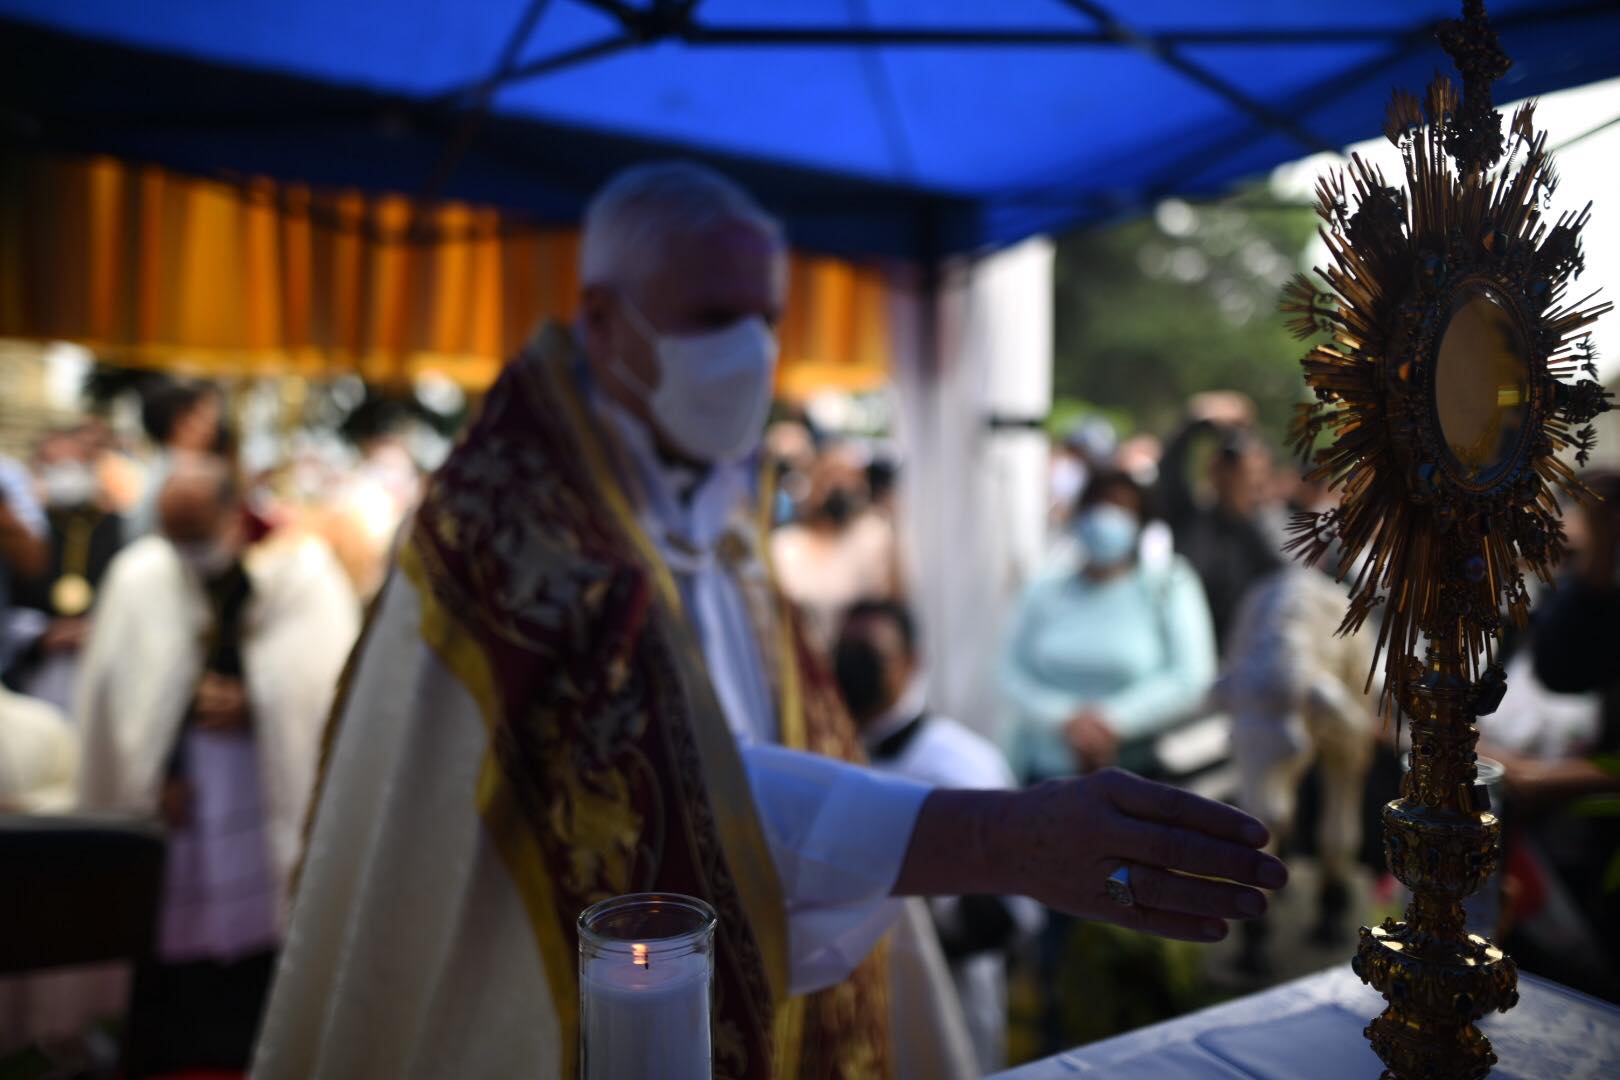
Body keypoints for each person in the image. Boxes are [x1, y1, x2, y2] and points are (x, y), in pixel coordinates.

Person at [252, 162, 1285, 1080]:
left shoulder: (714, 502)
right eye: (711, 316)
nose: (749, 351)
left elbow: (761, 744)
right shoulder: (511, 526)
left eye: (766, 319)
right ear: (606, 325)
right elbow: (629, 792)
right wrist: (990, 836)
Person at [77, 455, 358, 1072]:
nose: (188, 552)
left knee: (256, 945)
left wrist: (258, 699)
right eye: (175, 535)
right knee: (174, 944)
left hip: (260, 788)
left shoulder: (297, 566)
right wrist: (158, 770)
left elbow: (326, 675)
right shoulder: (141, 575)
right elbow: (127, 691)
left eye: (199, 534)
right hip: (182, 799)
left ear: (233, 513)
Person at [835, 598, 1040, 1075]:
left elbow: (1015, 911)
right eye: (843, 651)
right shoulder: (822, 752)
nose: (851, 666)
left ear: (911, 661)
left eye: (867, 654)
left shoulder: (961, 764)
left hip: (948, 997)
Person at [1216, 546, 1376, 971]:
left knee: (1343, 783)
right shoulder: (1254, 610)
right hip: (1267, 716)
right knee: (1264, 805)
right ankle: (1257, 920)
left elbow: (1359, 719)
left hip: (1329, 691)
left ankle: (1334, 888)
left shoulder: (1346, 623)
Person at [1001, 469, 1218, 782]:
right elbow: (1010, 672)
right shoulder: (1044, 588)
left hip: (1140, 772)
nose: (1105, 519)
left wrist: (1114, 721)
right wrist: (1065, 719)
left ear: (1140, 522)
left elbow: (1191, 676)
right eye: (1097, 506)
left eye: (1120, 509)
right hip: (1045, 775)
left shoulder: (1169, 584)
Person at [8, 427, 127, 713]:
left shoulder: (118, 528)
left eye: (74, 464)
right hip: (34, 673)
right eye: (53, 464)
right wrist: (41, 635)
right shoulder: (23, 533)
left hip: (102, 665)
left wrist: (98, 628)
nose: (65, 473)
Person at [1156, 394, 1284, 655]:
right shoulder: (1190, 521)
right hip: (1188, 654)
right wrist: (1196, 422)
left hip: (1245, 661)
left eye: (1249, 474)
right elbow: (1169, 473)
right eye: (1230, 470)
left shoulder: (1270, 529)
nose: (1238, 480)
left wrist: (1245, 509)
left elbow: (1280, 579)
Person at [771, 440, 901, 656]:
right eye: (830, 476)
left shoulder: (872, 537)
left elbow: (891, 601)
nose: (839, 486)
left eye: (850, 478)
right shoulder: (785, 546)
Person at [124, 378, 226, 541]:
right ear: (183, 422)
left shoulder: (157, 469)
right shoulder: (172, 476)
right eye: (203, 412)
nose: (214, 421)